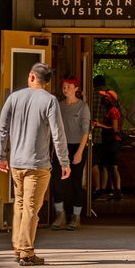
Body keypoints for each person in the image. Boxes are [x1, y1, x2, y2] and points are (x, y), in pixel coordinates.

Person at [0, 62, 70, 266]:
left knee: (20, 204)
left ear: (31, 77)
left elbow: (2, 128)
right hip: (38, 164)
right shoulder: (50, 101)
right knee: (30, 208)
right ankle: (26, 252)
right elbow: (58, 133)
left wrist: (0, 156)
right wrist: (64, 160)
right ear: (48, 82)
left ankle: (18, 246)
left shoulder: (14, 97)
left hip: (17, 162)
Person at [51, 76, 90, 230]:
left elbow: (85, 131)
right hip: (61, 148)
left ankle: (76, 216)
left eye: (68, 86)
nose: (65, 89)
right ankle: (60, 215)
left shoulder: (82, 107)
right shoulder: (59, 106)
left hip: (77, 147)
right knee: (55, 180)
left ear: (76, 88)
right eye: (64, 87)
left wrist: (80, 151)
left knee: (76, 182)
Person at [93, 89, 123, 200]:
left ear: (109, 99)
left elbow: (115, 129)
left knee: (113, 167)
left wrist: (100, 125)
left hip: (113, 142)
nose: (102, 99)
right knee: (106, 166)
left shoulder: (113, 111)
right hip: (108, 142)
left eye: (105, 97)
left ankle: (117, 191)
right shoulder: (109, 110)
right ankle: (105, 190)